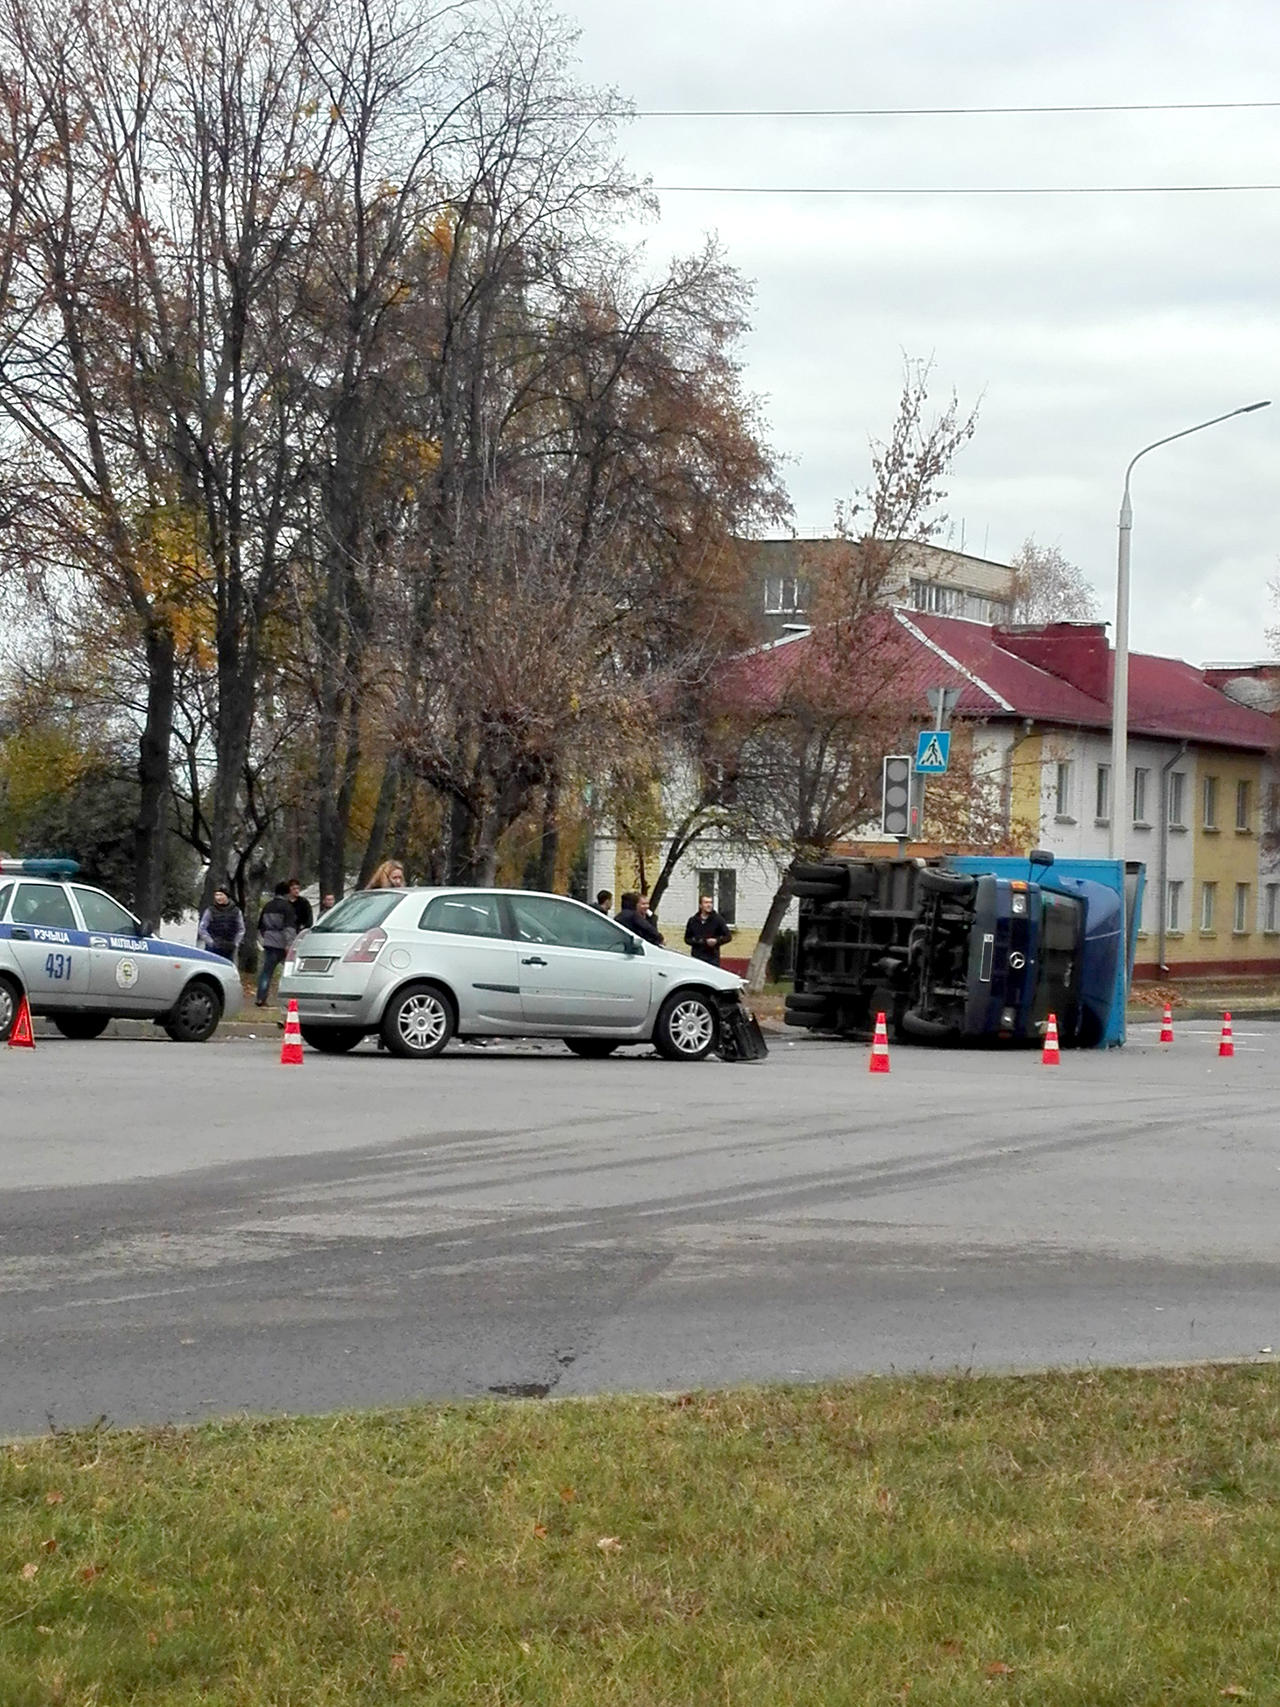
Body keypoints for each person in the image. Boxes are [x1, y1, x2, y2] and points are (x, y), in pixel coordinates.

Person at [255, 882, 295, 1006]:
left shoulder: (267, 906)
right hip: (281, 943)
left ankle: (260, 997)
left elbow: (261, 926)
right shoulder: (287, 907)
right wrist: (290, 944)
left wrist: (265, 938)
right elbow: (289, 928)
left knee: (266, 972)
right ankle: (288, 999)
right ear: (286, 893)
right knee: (288, 971)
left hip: (268, 941)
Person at [198, 883, 245, 963]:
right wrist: (210, 942)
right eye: (216, 895)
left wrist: (236, 943)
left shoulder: (236, 911)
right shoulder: (210, 911)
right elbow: (202, 928)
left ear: (227, 896)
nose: (218, 897)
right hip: (212, 948)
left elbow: (241, 929)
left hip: (229, 948)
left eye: (221, 895)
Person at [684, 893, 733, 967]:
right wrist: (700, 941)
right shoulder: (693, 921)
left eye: (711, 902)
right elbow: (687, 939)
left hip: (712, 959)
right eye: (706, 902)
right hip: (697, 958)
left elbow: (728, 936)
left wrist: (716, 941)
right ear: (700, 905)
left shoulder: (718, 920)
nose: (709, 905)